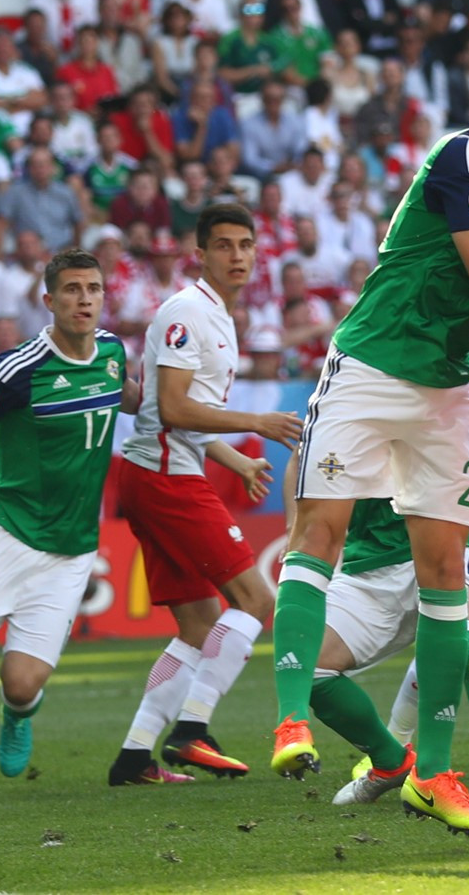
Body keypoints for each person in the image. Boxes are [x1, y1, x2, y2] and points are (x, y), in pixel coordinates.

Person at [269, 66, 469, 836]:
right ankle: (290, 720)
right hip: (372, 364)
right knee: (318, 531)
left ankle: (435, 772)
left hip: (446, 388)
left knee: (447, 572)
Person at [106, 205, 303, 786]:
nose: (237, 256)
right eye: (224, 245)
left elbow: (179, 417)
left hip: (164, 471)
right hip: (166, 478)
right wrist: (255, 425)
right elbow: (169, 407)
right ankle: (192, 731)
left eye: (245, 245)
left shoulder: (216, 316)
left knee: (199, 624)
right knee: (255, 599)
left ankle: (134, 756)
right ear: (201, 253)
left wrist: (234, 456)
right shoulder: (187, 312)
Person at [298, 387, 469, 809]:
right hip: (368, 568)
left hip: (446, 552)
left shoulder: (466, 395)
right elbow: (305, 462)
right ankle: (390, 761)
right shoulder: (345, 390)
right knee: (307, 665)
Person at [0, 249, 135, 779]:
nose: (83, 299)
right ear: (49, 301)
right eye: (71, 290)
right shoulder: (15, 370)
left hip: (69, 551)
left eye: (93, 289)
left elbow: (132, 397)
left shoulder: (113, 352)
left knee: (21, 685)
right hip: (4, 535)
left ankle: (18, 715)